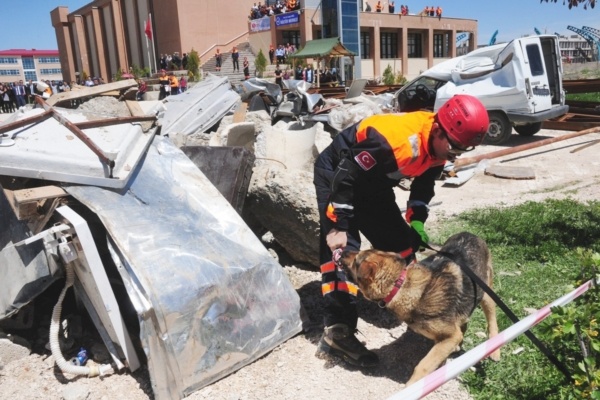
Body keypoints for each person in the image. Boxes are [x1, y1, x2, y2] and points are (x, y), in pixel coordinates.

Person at [312, 94, 489, 367]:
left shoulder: (438, 147)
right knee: (343, 255)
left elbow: (423, 186)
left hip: (372, 183)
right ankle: (338, 331)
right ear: (440, 130)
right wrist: (337, 225)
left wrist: (416, 220)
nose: (454, 156)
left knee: (401, 242)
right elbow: (345, 178)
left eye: (461, 151)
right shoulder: (396, 142)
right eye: (454, 148)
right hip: (337, 174)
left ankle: (416, 308)